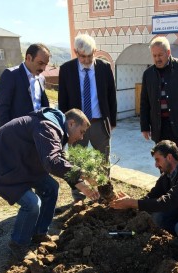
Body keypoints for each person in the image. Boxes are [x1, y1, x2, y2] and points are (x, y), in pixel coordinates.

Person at [0, 107, 100, 261]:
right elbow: (52, 162)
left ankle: (39, 233)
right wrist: (84, 174)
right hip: (2, 167)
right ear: (72, 123)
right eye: (82, 132)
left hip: (23, 165)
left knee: (51, 187)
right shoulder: (47, 126)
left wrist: (80, 182)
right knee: (32, 204)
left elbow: (59, 159)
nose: (82, 138)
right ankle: (19, 244)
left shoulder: (54, 128)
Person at [58, 33, 117, 201]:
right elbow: (63, 100)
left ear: (95, 51)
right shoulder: (66, 69)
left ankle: (105, 194)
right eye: (82, 56)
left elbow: (111, 95)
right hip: (76, 126)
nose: (86, 60)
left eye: (90, 56)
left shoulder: (104, 68)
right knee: (76, 162)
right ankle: (78, 197)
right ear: (76, 52)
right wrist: (65, 127)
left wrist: (111, 120)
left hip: (99, 123)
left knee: (103, 161)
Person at [140, 36, 178, 158]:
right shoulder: (148, 74)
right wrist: (145, 127)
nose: (157, 59)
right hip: (159, 127)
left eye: (160, 55)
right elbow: (144, 102)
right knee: (163, 162)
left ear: (168, 52)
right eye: (154, 55)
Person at [0, 43, 51, 127]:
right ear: (29, 58)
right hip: (18, 133)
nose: (43, 68)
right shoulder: (11, 75)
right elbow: (2, 109)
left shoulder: (41, 78)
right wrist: (7, 135)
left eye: (45, 64)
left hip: (38, 133)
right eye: (40, 63)